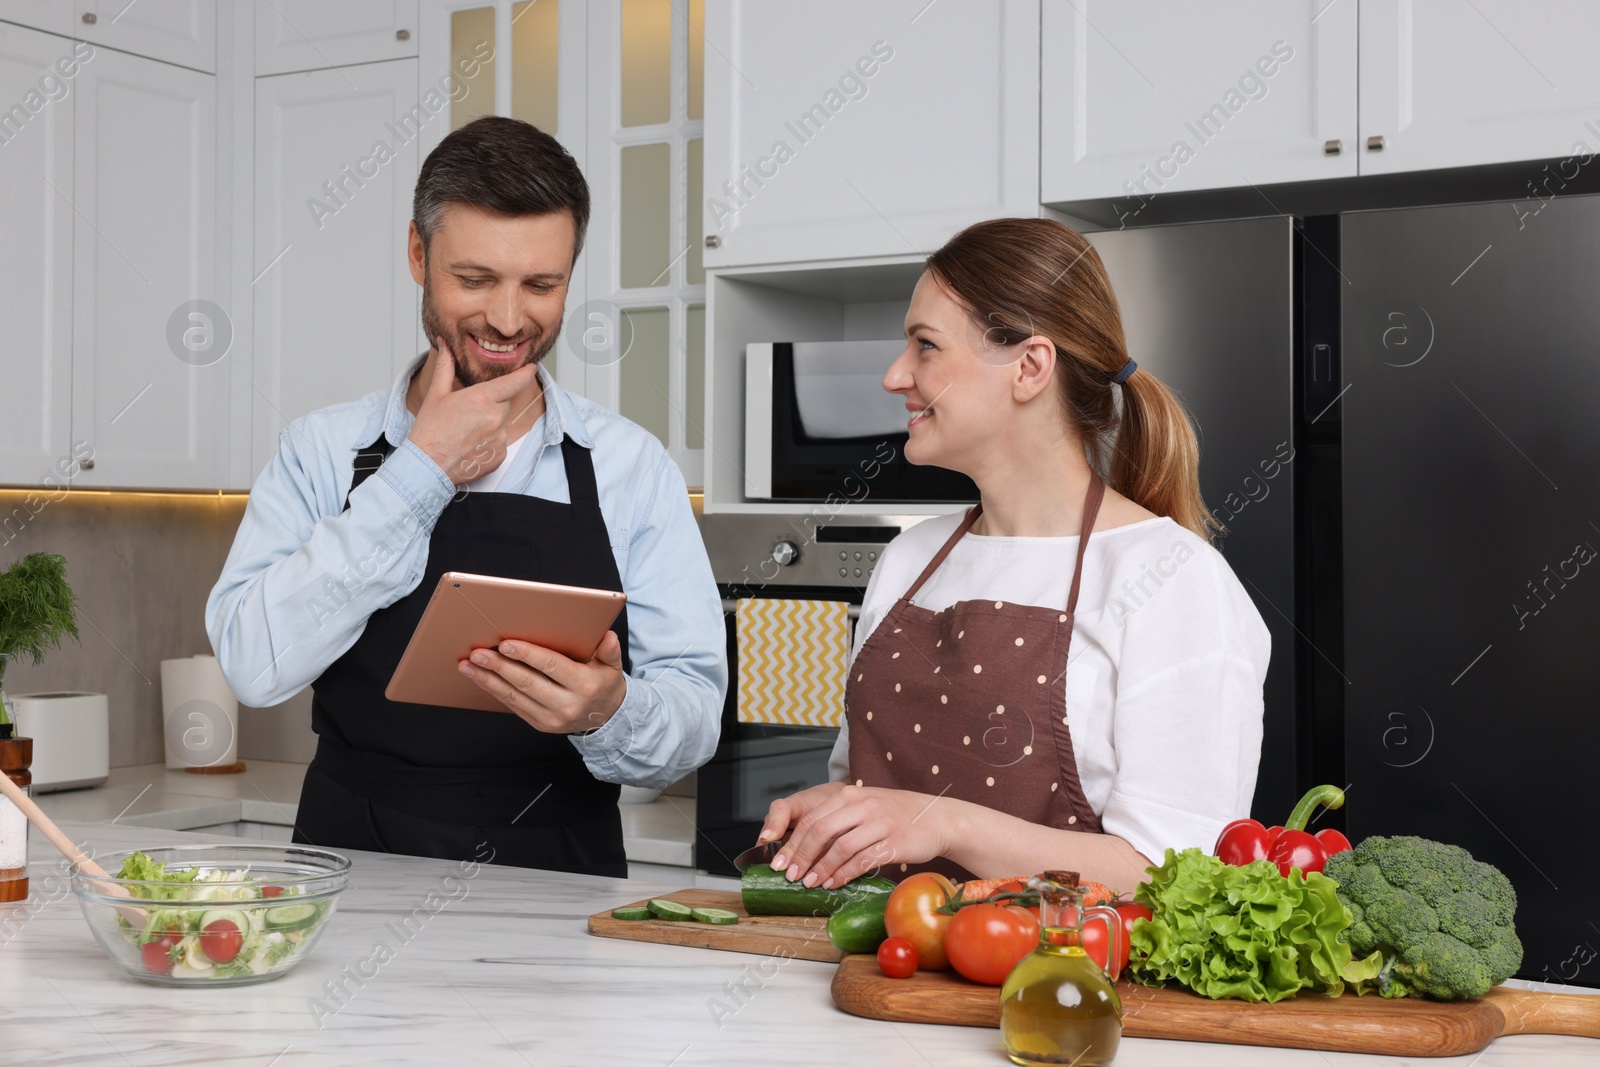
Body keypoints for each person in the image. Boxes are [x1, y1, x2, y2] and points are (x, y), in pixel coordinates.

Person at [206, 117, 725, 877]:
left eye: (541, 284)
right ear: (418, 255)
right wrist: (420, 472)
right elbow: (253, 665)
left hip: (560, 881)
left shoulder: (629, 466)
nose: (509, 319)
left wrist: (609, 711)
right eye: (475, 280)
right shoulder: (321, 450)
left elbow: (694, 714)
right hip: (351, 870)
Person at [759, 217, 1269, 893]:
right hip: (875, 973)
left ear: (1029, 367)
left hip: (1064, 989)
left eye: (925, 346)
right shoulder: (911, 557)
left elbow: (1177, 875)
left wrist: (942, 823)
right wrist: (836, 815)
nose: (894, 375)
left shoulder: (1170, 578)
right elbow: (873, 789)